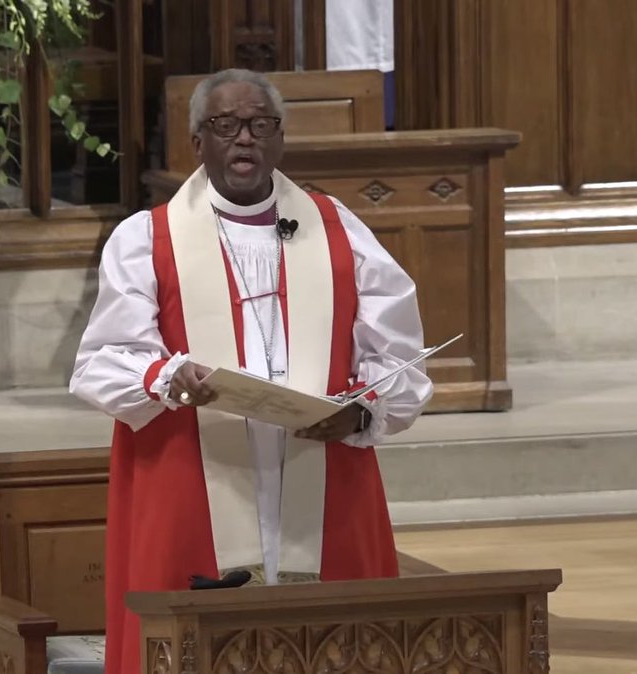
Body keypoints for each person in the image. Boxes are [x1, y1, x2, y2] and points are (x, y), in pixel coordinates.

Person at [68, 68, 433, 674]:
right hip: (195, 470)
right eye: (226, 125)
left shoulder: (337, 228)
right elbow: (103, 359)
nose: (245, 138)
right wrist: (166, 375)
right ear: (197, 143)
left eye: (260, 124)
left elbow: (398, 348)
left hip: (319, 464)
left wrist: (365, 407)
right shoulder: (146, 237)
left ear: (280, 138)